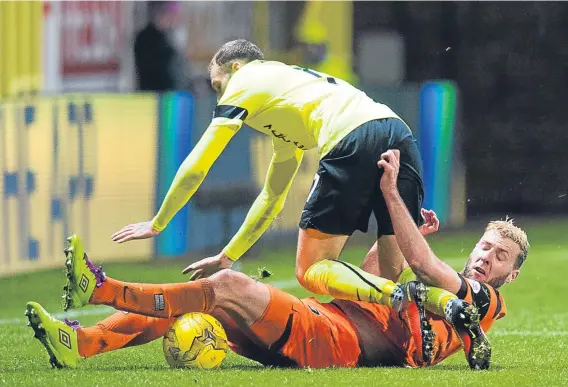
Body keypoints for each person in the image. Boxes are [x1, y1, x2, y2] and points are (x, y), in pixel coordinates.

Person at [26, 152, 529, 370]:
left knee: (229, 286)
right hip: (331, 327)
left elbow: (421, 267)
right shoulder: (449, 296)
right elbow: (382, 270)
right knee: (210, 302)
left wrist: (393, 198)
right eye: (485, 247)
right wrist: (404, 226)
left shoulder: (481, 301)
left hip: (338, 341)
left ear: (512, 274)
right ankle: (82, 344)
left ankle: (103, 290)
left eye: (500, 256)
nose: (487, 258)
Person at [134, 1, 188, 92]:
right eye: (172, 15)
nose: (174, 20)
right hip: (155, 95)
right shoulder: (146, 39)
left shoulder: (166, 37)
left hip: (169, 94)